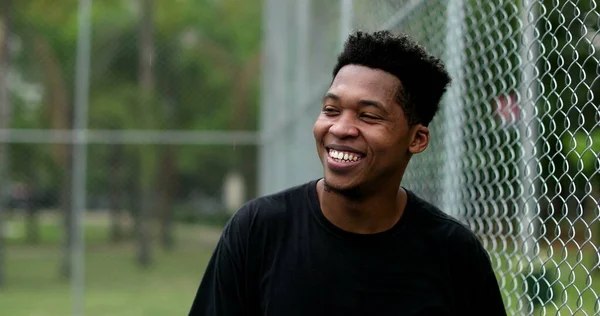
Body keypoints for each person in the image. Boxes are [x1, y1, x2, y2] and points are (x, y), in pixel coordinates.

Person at [189, 30, 507, 316]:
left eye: (368, 116)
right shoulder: (258, 230)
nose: (340, 128)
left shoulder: (454, 254)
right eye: (331, 110)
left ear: (417, 139)